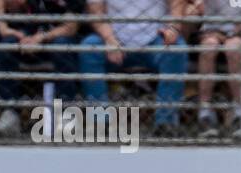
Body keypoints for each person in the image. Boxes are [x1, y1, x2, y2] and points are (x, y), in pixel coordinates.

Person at [78, 0, 188, 136]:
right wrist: (109, 39)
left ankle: (165, 122)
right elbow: (96, 12)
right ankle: (101, 122)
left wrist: (173, 28)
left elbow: (177, 3)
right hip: (115, 39)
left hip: (155, 38)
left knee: (176, 49)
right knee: (90, 47)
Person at [0, 0, 83, 136]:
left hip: (57, 40)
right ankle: (10, 112)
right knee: (8, 44)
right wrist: (21, 36)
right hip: (28, 37)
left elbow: (70, 27)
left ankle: (66, 111)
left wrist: (42, 38)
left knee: (62, 46)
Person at [193, 0, 241, 137]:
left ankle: (240, 113)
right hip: (212, 29)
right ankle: (205, 112)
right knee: (208, 48)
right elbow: (200, 6)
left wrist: (240, 28)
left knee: (233, 49)